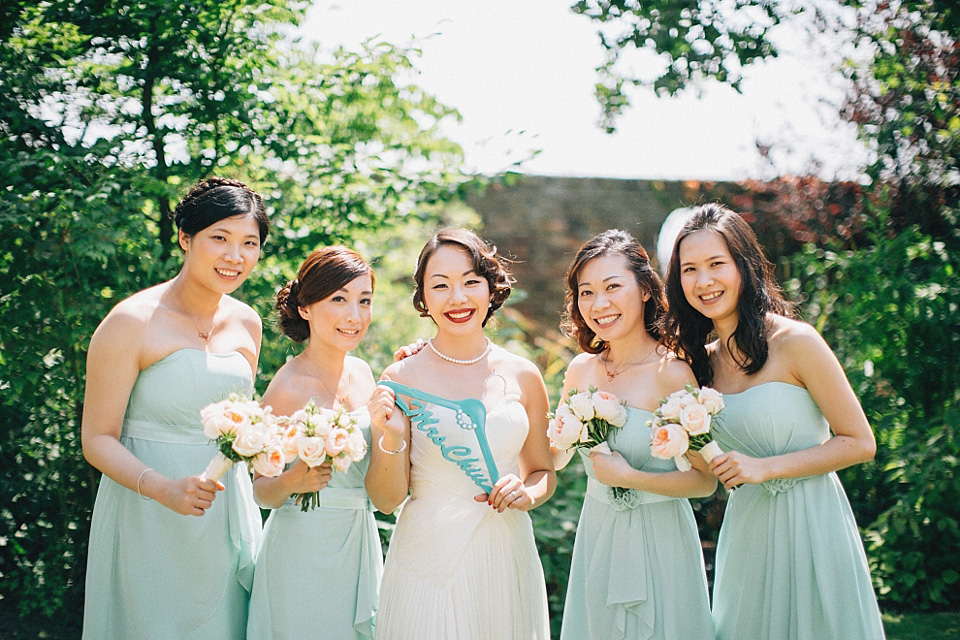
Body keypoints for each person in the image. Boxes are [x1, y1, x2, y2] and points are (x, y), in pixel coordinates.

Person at [664, 203, 886, 640]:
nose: (704, 281)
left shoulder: (795, 342)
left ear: (743, 266)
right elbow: (708, 467)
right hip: (749, 532)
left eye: (716, 264)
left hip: (813, 523)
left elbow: (860, 442)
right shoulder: (699, 367)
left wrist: (766, 468)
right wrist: (673, 437)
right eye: (690, 269)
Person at [81, 177, 268, 639]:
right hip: (148, 512)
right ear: (186, 238)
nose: (235, 256)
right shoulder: (131, 322)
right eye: (219, 238)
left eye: (249, 243)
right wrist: (161, 489)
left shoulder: (248, 323)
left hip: (224, 511)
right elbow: (96, 438)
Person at [365, 228, 555, 640]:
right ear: (423, 298)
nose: (458, 298)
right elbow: (385, 500)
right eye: (441, 285)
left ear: (491, 289)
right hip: (426, 559)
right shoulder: (401, 377)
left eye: (471, 281)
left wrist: (529, 492)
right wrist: (392, 435)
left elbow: (542, 470)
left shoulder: (523, 374)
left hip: (505, 552)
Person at [554, 229, 716, 640]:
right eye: (586, 292)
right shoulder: (581, 371)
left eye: (612, 287)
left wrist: (630, 478)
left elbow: (704, 480)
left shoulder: (672, 372)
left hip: (660, 539)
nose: (599, 304)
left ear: (645, 289)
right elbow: (554, 456)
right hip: (599, 533)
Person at [246, 246, 382, 640]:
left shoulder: (364, 372)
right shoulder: (287, 388)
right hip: (301, 546)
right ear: (305, 307)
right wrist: (292, 482)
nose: (354, 316)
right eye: (338, 299)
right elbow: (260, 491)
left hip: (358, 537)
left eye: (364, 301)